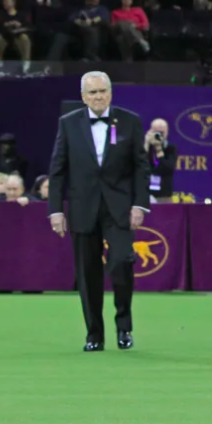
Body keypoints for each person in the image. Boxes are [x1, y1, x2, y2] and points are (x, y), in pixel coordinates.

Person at [47, 71, 150, 352]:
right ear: (83, 97)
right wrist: (55, 210)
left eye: (102, 91)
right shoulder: (68, 124)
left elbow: (141, 166)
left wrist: (139, 204)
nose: (98, 96)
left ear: (111, 93)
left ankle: (124, 327)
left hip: (119, 209)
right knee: (87, 273)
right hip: (82, 208)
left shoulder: (130, 121)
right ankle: (94, 334)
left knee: (121, 263)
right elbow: (57, 171)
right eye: (92, 93)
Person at [144, 118, 177, 202]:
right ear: (150, 131)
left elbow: (168, 168)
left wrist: (159, 150)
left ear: (167, 132)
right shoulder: (146, 147)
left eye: (162, 132)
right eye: (156, 132)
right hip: (145, 193)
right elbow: (140, 165)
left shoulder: (170, 148)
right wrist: (146, 144)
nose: (159, 135)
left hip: (164, 195)